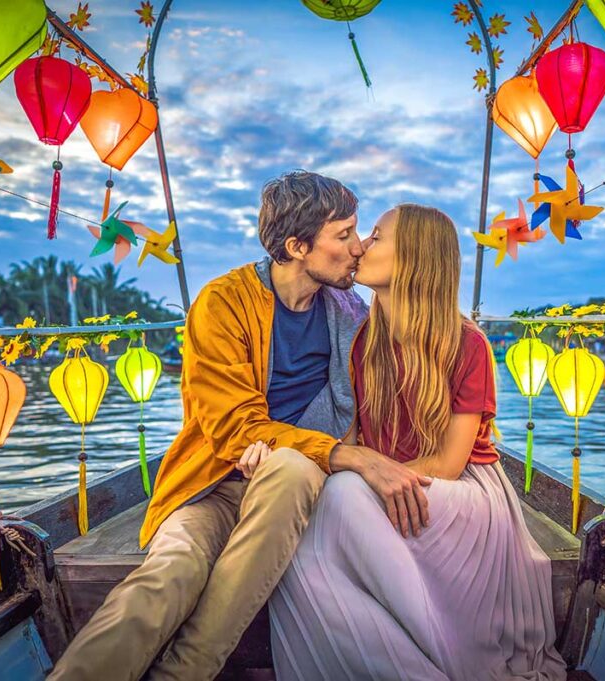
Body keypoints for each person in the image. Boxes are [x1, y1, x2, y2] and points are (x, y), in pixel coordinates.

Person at [48, 172, 432, 680]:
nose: (359, 248)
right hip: (213, 485)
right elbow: (234, 428)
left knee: (291, 470)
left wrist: (304, 452)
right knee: (172, 571)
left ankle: (184, 673)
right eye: (344, 235)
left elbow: (373, 404)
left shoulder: (350, 313)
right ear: (296, 246)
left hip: (299, 488)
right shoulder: (222, 303)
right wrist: (350, 456)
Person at [267, 204, 568, 680]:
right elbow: (354, 436)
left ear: (413, 257)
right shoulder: (365, 340)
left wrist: (372, 475)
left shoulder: (467, 344)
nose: (362, 246)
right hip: (389, 485)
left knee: (343, 493)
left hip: (460, 493)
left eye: (377, 237)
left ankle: (449, 654)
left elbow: (450, 463)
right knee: (299, 542)